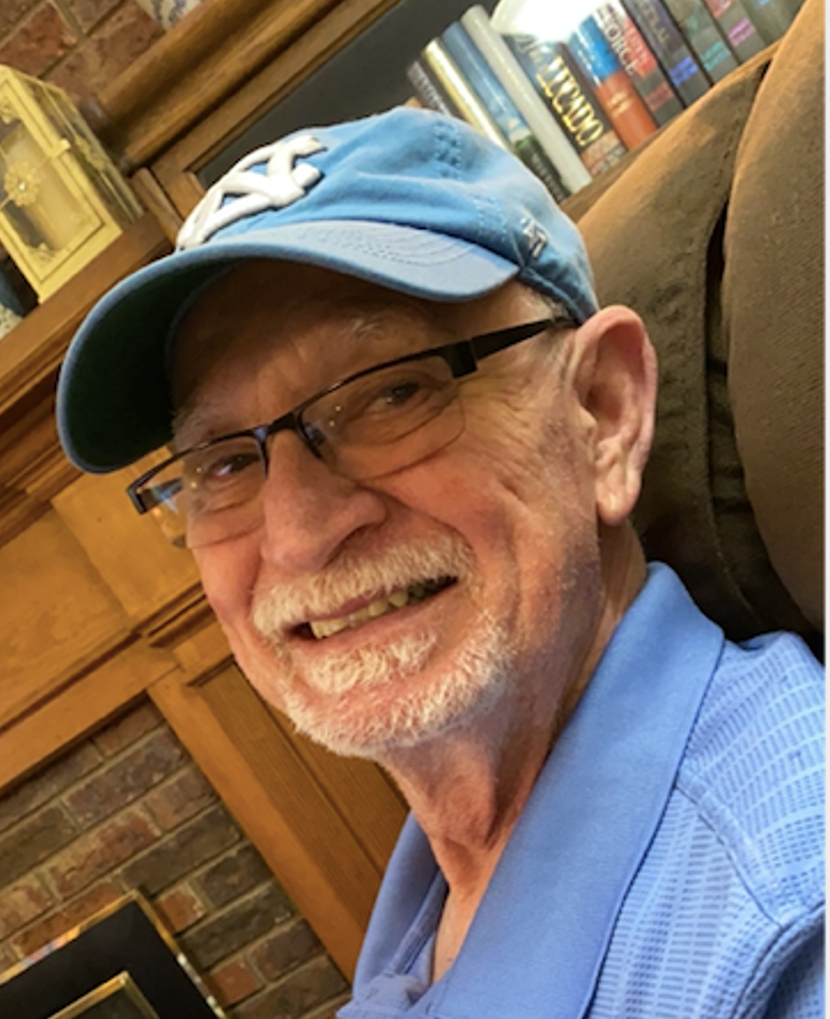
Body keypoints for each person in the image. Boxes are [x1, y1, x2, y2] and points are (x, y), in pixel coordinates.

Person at [56, 108, 823, 1017]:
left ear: (604, 412)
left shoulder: (785, 919)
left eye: (392, 393)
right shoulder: (442, 882)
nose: (297, 536)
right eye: (223, 464)